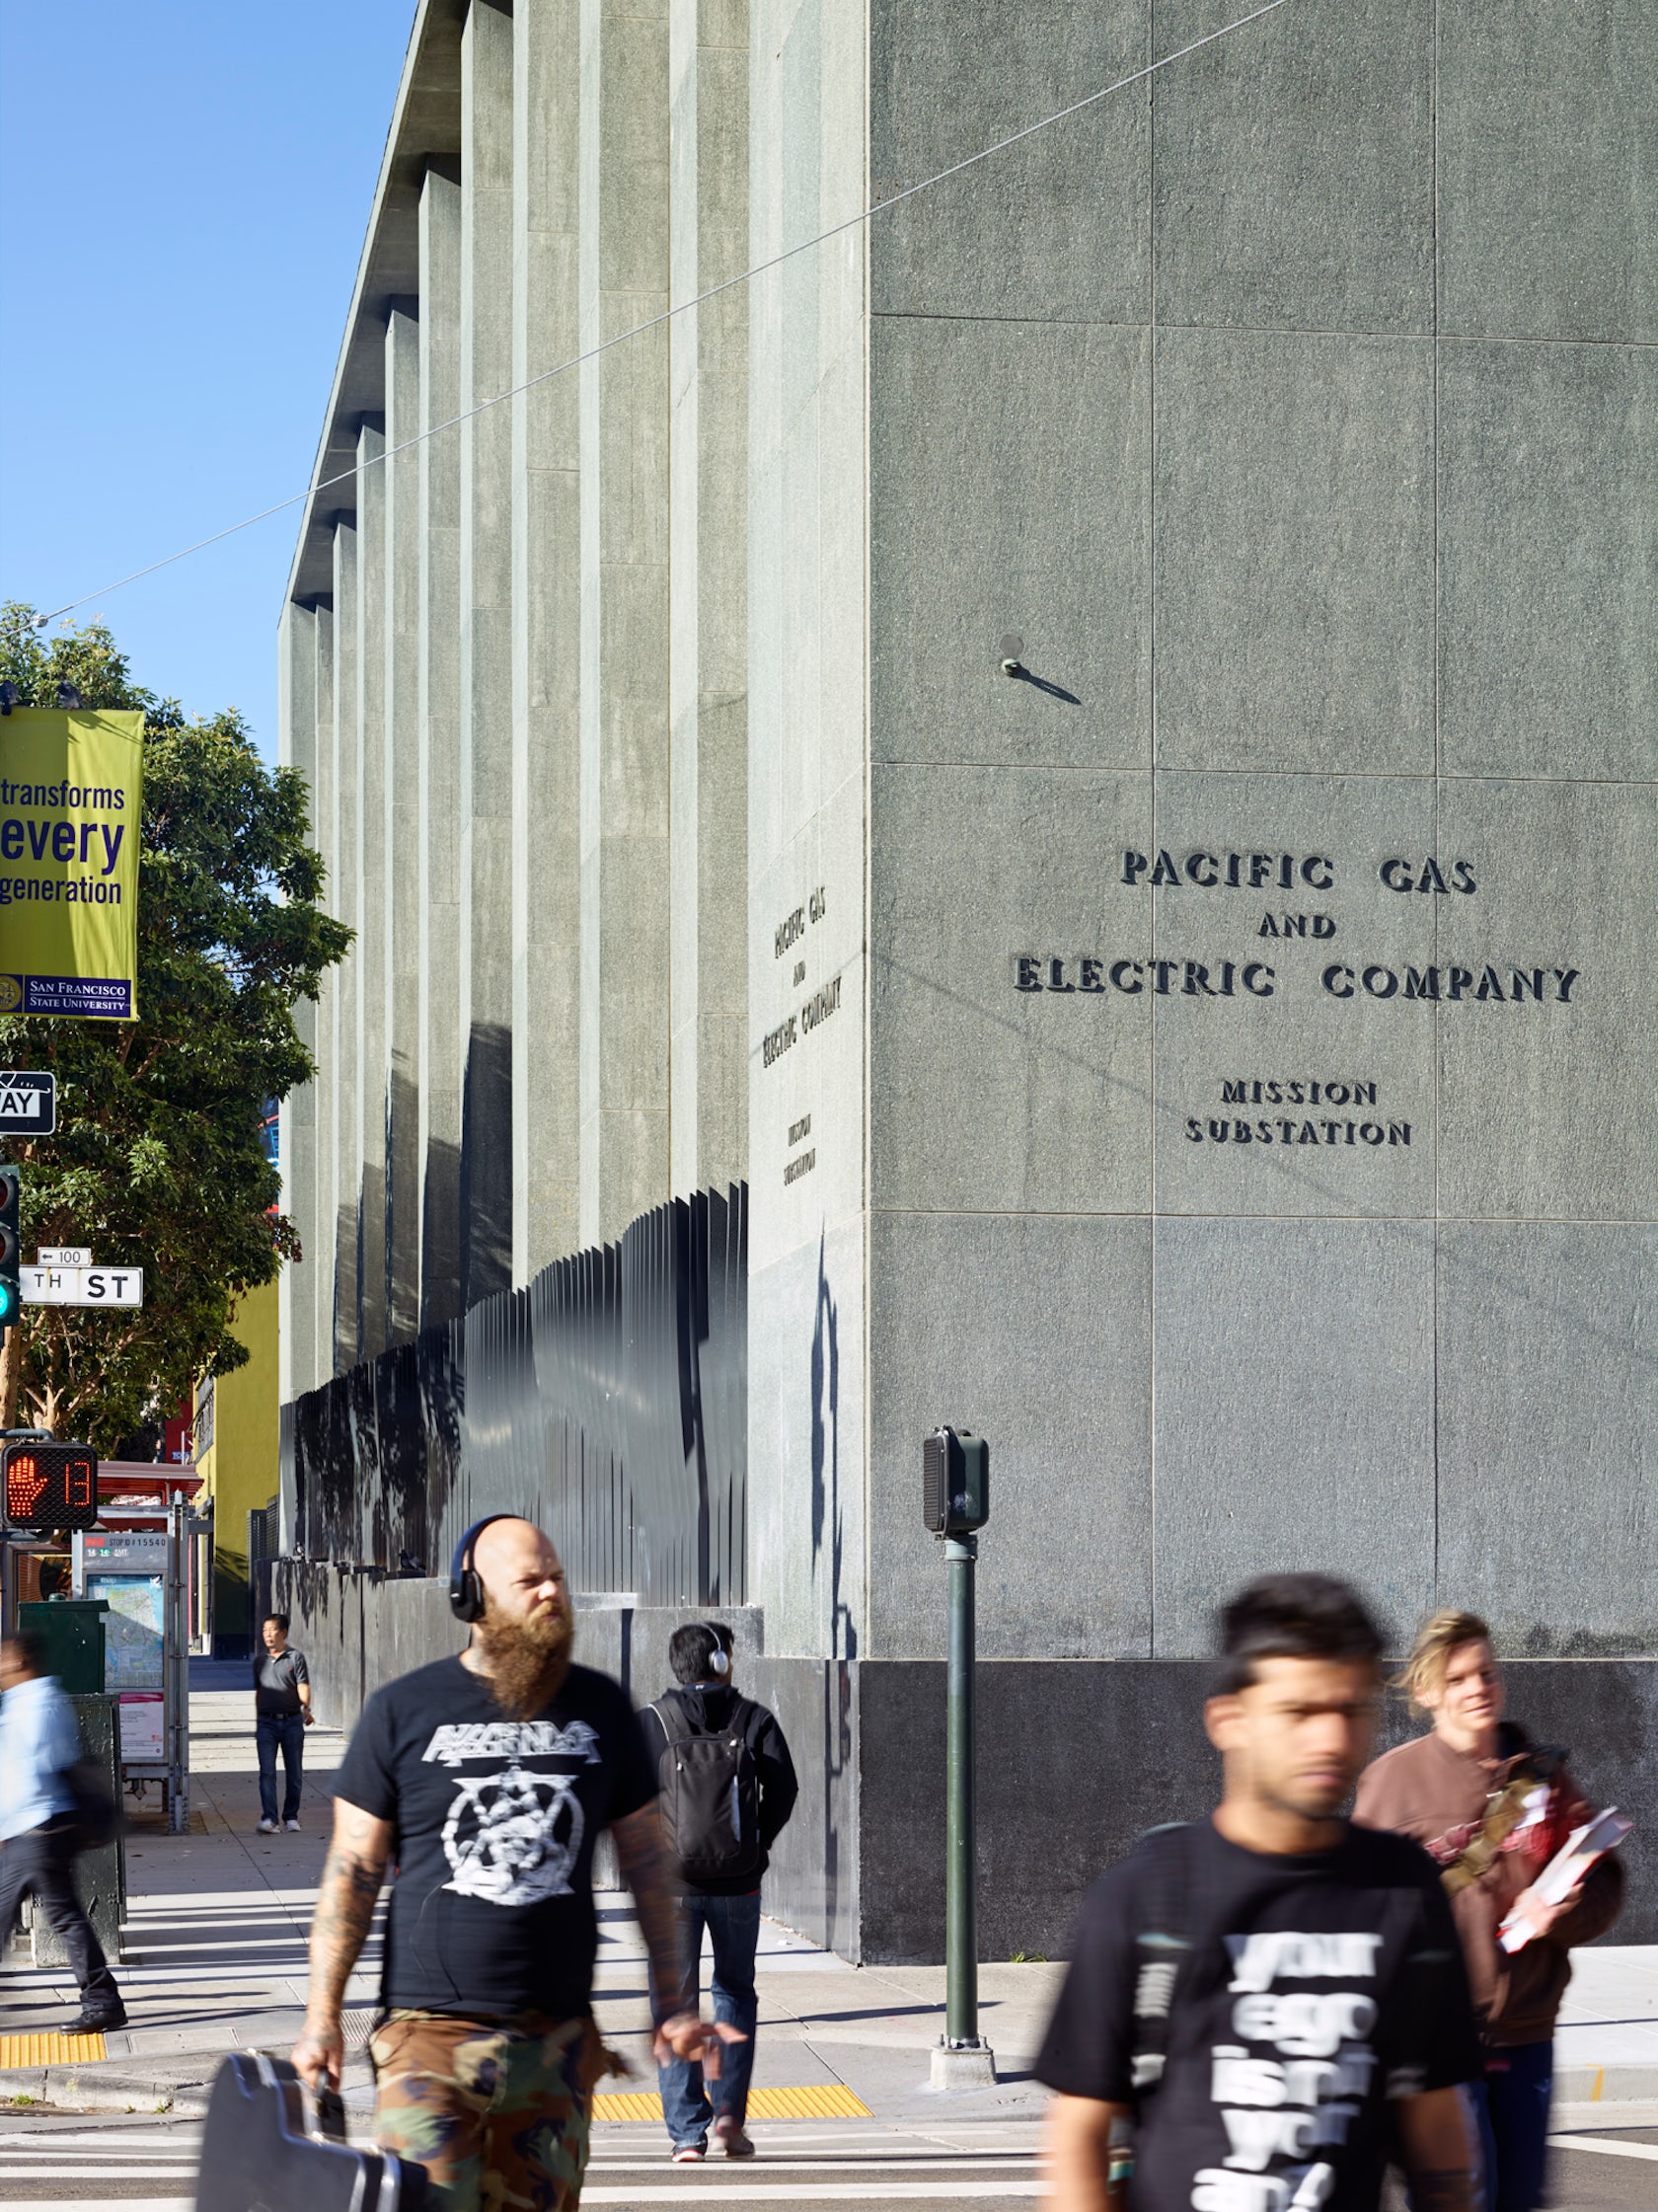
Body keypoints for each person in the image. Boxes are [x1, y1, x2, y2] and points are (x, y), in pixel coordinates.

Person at [290, 1515, 739, 2212]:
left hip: (554, 2045)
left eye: (556, 1576)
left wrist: (675, 2006)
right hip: (426, 2041)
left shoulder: (601, 1707)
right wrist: (323, 2016)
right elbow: (351, 1872)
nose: (552, 1592)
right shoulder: (403, 1710)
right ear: (471, 1597)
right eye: (529, 1580)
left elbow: (649, 1867)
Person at [1038, 1573, 1482, 2212]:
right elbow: (1080, 2134)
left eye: (1351, 1709)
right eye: (1300, 1711)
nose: (1331, 1737)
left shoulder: (1404, 1889)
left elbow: (1434, 2119)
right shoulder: (1144, 1897)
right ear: (1228, 1720)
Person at [1354, 1610, 1623, 2212]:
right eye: (1457, 1679)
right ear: (1424, 1691)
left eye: (1486, 1673)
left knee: (1520, 2199)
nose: (1478, 1688)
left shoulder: (1541, 1777)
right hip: (1437, 2042)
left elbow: (1604, 1883)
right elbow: (1355, 1916)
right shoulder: (1390, 1785)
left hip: (1526, 2035)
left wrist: (1565, 1909)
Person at [640, 1622, 798, 2162]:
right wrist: (757, 1846)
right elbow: (785, 1788)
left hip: (671, 1889)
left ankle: (687, 2134)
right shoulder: (754, 1718)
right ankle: (729, 2119)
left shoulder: (653, 1723)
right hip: (739, 1884)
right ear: (722, 1661)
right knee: (735, 1992)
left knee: (674, 2003)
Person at [0, 1631, 126, 2032]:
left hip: (39, 1828)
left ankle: (102, 2001)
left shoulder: (38, 1703)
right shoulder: (26, 1701)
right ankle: (102, 2000)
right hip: (35, 1829)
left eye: (4, 1661)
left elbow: (32, 1773)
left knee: (65, 1917)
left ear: (20, 1661)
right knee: (61, 1916)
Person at [254, 1611, 314, 1834]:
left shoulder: (295, 1658)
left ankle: (291, 1817)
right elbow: (259, 1692)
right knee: (267, 1771)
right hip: (266, 1724)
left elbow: (303, 1685)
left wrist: (305, 1707)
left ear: (284, 1632)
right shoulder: (259, 1661)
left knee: (294, 1772)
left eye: (273, 1630)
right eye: (264, 1630)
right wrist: (259, 1718)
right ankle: (270, 1818)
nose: (268, 1635)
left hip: (291, 1722)